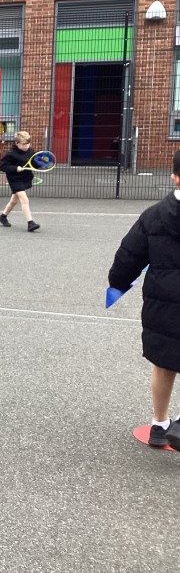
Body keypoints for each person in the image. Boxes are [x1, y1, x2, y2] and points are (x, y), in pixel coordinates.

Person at [108, 150, 180, 449]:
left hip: (163, 302)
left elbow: (129, 256)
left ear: (174, 177)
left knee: (164, 363)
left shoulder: (153, 216)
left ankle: (159, 424)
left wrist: (117, 282)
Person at [0, 130, 40, 232]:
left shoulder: (30, 151)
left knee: (14, 201)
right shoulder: (11, 154)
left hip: (24, 178)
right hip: (14, 179)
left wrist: (40, 163)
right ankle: (30, 223)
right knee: (24, 200)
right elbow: (2, 166)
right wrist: (16, 168)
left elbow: (33, 163)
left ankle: (3, 217)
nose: (26, 146)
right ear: (17, 143)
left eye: (28, 143)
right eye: (24, 144)